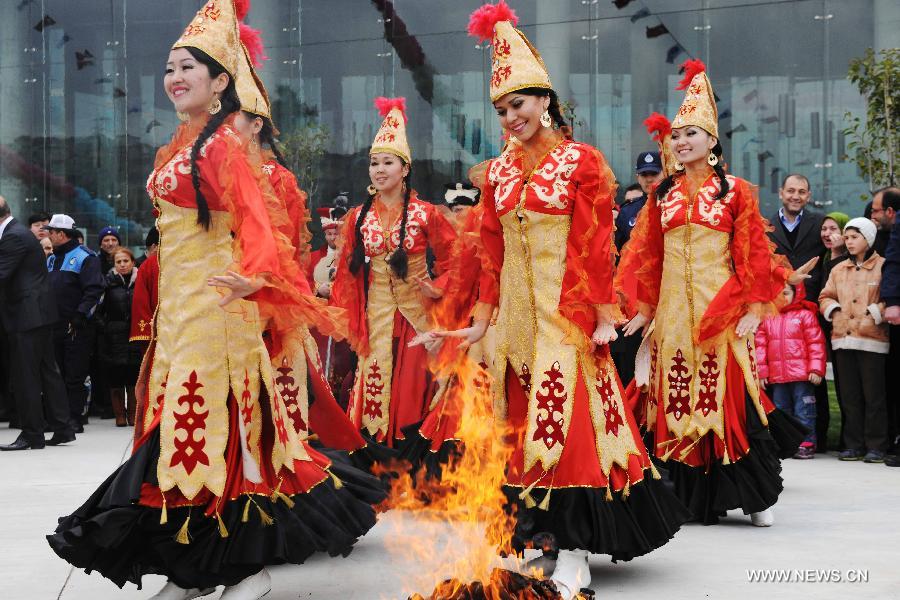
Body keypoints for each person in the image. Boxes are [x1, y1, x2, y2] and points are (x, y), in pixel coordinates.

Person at [48, 3, 385, 599]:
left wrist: (254, 281)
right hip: (180, 319)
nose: (175, 78)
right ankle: (195, 569)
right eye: (171, 68)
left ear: (221, 82)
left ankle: (234, 567)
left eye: (189, 69)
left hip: (215, 317)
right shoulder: (181, 145)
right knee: (185, 439)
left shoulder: (224, 147)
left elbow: (259, 227)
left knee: (204, 438)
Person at [432, 5, 690, 597]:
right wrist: (479, 324)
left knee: (569, 430)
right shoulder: (495, 173)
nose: (510, 117)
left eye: (518, 104)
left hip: (567, 319)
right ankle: (539, 540)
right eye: (500, 109)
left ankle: (575, 546)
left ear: (544, 100)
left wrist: (601, 314)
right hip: (513, 327)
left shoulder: (580, 162)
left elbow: (597, 245)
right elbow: (490, 260)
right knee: (520, 430)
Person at [619, 59, 811, 528]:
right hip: (672, 318)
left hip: (720, 313)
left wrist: (753, 307)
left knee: (728, 401)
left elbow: (753, 256)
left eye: (691, 134)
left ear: (712, 141)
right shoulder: (661, 196)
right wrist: (644, 312)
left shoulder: (737, 193)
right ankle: (683, 495)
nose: (681, 142)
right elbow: (648, 259)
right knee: (673, 399)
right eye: (677, 135)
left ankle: (755, 495)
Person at [329, 96, 459, 457]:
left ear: (405, 169)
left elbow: (457, 260)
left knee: (414, 388)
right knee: (372, 384)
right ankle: (377, 459)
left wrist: (438, 288)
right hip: (378, 318)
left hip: (417, 317)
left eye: (388, 162)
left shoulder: (426, 214)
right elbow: (346, 274)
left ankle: (412, 461)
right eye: (374, 163)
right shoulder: (357, 217)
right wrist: (351, 318)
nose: (379, 170)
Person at [0, 197, 75, 450]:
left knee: (26, 376)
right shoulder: (18, 232)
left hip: (26, 316)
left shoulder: (13, 236)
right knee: (47, 372)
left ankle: (32, 434)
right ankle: (63, 428)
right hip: (37, 314)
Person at [820, 217, 890, 463]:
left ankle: (877, 445)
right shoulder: (838, 269)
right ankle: (853, 444)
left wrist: (873, 314)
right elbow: (825, 296)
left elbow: (888, 298)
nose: (848, 242)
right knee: (849, 396)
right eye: (847, 237)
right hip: (842, 338)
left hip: (872, 339)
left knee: (874, 396)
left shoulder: (883, 266)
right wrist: (835, 312)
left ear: (868, 239)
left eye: (854, 237)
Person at [44, 213, 105, 433]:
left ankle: (74, 419)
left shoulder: (85, 257)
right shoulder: (51, 258)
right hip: (54, 324)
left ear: (61, 234)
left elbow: (94, 290)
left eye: (50, 232)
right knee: (56, 374)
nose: (48, 235)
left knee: (74, 375)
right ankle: (59, 418)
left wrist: (80, 315)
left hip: (76, 325)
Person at [755, 283, 826, 458]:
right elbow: (760, 347)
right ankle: (786, 444)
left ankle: (807, 443)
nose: (782, 297)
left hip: (802, 376)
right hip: (778, 377)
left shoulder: (805, 315)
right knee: (781, 411)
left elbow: (816, 343)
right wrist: (762, 373)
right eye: (777, 293)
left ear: (797, 293)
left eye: (786, 293)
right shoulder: (768, 317)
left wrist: (816, 369)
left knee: (805, 410)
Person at [96, 248, 142, 427]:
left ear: (132, 262)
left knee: (133, 375)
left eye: (126, 261)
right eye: (118, 262)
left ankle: (132, 414)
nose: (123, 265)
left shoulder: (140, 282)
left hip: (134, 335)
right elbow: (97, 311)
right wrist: (106, 328)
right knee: (116, 376)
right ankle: (119, 415)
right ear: (114, 264)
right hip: (113, 337)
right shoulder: (107, 284)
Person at [768, 173, 826, 302]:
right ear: (781, 193)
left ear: (808, 196)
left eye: (802, 192)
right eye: (790, 191)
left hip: (811, 301)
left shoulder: (820, 223)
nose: (795, 196)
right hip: (777, 302)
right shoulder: (764, 227)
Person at [818, 211, 849, 450]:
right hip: (827, 327)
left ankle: (851, 438)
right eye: (824, 229)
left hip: (848, 329)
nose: (828, 234)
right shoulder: (823, 256)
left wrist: (838, 254)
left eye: (833, 229)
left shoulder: (848, 258)